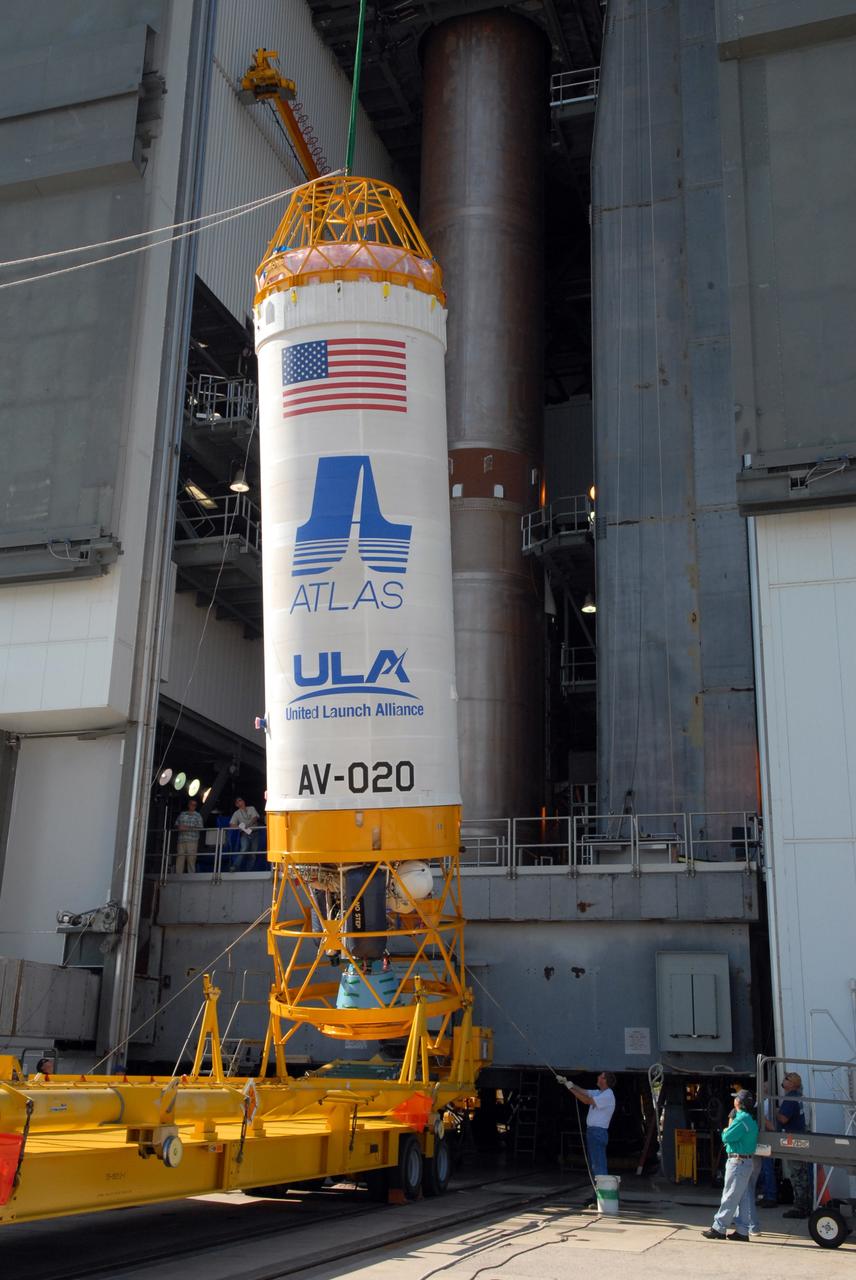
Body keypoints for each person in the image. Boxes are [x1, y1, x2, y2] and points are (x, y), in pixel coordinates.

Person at [703, 1088, 759, 1241]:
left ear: (738, 1102)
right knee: (743, 1198)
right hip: (746, 1161)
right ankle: (742, 1231)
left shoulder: (741, 1119)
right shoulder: (750, 1119)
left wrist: (727, 1128)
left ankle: (719, 1227)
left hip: (738, 1161)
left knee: (730, 1195)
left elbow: (726, 1137)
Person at [560, 1070, 617, 1177]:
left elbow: (586, 1100)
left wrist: (570, 1088)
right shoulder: (599, 1093)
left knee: (598, 1164)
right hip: (593, 1132)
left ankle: (602, 1192)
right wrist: (569, 1083)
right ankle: (597, 1191)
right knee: (594, 1164)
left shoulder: (608, 1095)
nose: (598, 1077)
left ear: (605, 1080)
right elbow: (585, 1092)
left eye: (601, 1076)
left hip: (598, 1132)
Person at [777, 1071, 811, 1219]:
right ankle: (805, 1204)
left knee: (797, 1174)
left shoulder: (790, 1099)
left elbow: (783, 1119)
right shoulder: (798, 1097)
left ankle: (800, 1207)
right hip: (800, 1137)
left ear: (791, 1083)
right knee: (802, 1173)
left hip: (793, 1139)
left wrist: (776, 1112)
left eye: (786, 1079)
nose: (783, 1081)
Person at [174, 797, 204, 874]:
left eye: (194, 805)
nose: (193, 806)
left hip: (192, 841)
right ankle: (178, 875)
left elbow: (200, 827)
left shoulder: (198, 816)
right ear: (188, 805)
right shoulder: (182, 814)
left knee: (191, 859)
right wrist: (179, 827)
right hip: (181, 840)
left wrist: (187, 827)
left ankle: (191, 875)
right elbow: (176, 824)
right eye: (191, 804)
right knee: (180, 858)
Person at [229, 796, 260, 870]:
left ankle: (249, 870)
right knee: (244, 849)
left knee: (253, 854)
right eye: (238, 801)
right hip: (245, 834)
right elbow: (231, 824)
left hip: (255, 833)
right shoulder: (236, 813)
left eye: (241, 800)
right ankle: (235, 866)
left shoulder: (251, 808)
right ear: (236, 805)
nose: (240, 802)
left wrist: (247, 825)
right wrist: (242, 827)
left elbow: (255, 818)